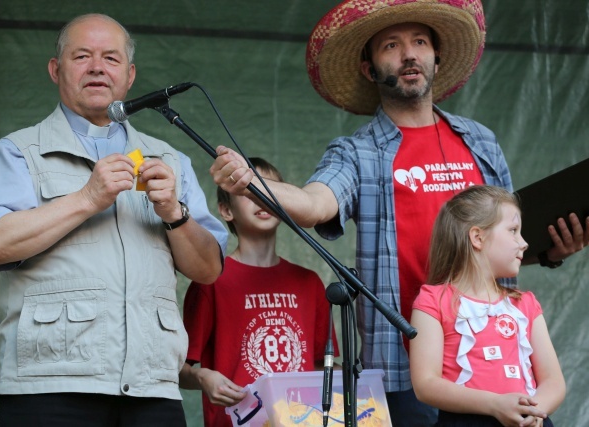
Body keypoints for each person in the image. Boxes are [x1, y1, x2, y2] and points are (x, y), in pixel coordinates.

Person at [208, 1, 588, 425]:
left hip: (495, 362)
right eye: (391, 45)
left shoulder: (481, 142)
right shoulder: (357, 152)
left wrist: (550, 250)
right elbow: (316, 204)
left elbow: (503, 243)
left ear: (436, 58)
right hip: (405, 370)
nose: (409, 54)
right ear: (370, 68)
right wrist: (252, 182)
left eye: (420, 42)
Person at [0, 13, 228, 427]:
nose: (96, 68)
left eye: (111, 58)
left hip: (151, 386)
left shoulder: (169, 160)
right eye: (81, 56)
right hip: (50, 385)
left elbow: (208, 270)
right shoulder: (19, 152)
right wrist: (87, 198)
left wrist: (174, 215)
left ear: (130, 74)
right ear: (56, 70)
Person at [179, 157, 339, 427]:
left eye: (268, 189)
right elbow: (178, 368)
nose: (261, 199)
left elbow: (327, 367)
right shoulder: (210, 280)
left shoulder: (309, 283)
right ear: (225, 210)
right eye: (247, 190)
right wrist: (202, 378)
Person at [410, 185, 565, 427]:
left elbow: (553, 381)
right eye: (513, 230)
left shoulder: (525, 304)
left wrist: (535, 411)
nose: (524, 243)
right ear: (477, 237)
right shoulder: (432, 301)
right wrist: (495, 404)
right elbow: (426, 384)